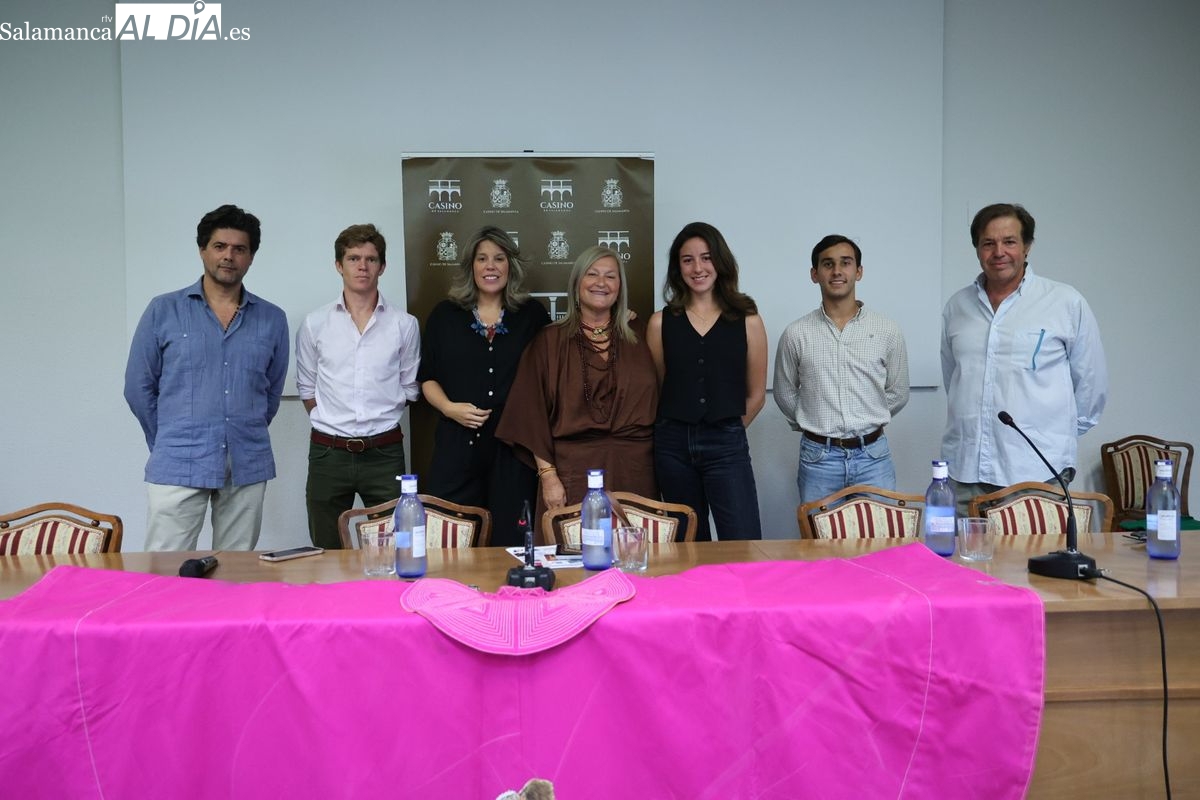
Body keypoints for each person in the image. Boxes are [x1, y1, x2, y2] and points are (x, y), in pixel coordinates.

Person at [124, 204, 289, 551]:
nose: (229, 256)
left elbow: (270, 394)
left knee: (235, 574)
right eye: (219, 246)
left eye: (239, 249)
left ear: (251, 257)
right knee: (164, 574)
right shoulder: (163, 310)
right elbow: (138, 387)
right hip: (177, 461)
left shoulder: (272, 319)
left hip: (247, 462)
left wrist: (243, 429)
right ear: (203, 250)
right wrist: (170, 437)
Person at [941, 203, 1107, 514]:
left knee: (1032, 562)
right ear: (977, 249)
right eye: (988, 243)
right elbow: (956, 380)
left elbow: (1091, 386)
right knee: (962, 561)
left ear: (1027, 247)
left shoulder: (1065, 303)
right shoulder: (957, 307)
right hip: (964, 472)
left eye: (1009, 242)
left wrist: (1052, 435)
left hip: (1036, 471)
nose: (998, 252)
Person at [497, 245, 658, 528]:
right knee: (573, 566)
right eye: (592, 274)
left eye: (611, 276)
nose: (601, 282)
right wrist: (548, 476)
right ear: (576, 284)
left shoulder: (643, 336)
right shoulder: (549, 342)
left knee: (635, 562)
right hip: (572, 477)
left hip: (637, 474)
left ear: (620, 287)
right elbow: (530, 415)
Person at [418, 227, 549, 547]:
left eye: (499, 258)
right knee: (447, 542)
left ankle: (512, 599)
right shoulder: (444, 315)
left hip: (512, 451)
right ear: (471, 266)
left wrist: (616, 317)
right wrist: (450, 408)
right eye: (482, 259)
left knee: (512, 543)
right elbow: (427, 377)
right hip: (456, 448)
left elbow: (553, 369)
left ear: (510, 266)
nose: (491, 266)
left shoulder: (531, 315)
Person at [295, 223, 420, 550]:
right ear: (339, 265)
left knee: (395, 547)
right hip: (328, 452)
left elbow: (409, 388)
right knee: (325, 548)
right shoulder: (315, 323)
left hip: (384, 452)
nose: (362, 266)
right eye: (353, 258)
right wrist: (335, 423)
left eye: (371, 259)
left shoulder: (404, 325)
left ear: (382, 266)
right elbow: (307, 388)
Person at [647, 222, 767, 541]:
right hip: (673, 447)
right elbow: (660, 386)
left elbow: (756, 395)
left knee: (741, 541)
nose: (697, 267)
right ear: (678, 267)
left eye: (706, 257)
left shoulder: (748, 320)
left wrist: (727, 431)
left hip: (726, 443)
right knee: (687, 547)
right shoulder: (660, 323)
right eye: (688, 260)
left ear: (721, 262)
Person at [773, 235, 910, 504]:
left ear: (858, 271)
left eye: (845, 263)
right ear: (815, 274)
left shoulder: (886, 330)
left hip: (874, 456)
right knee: (819, 543)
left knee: (880, 540)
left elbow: (898, 391)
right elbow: (784, 392)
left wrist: (868, 416)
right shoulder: (796, 333)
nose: (837, 271)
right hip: (818, 459)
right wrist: (813, 418)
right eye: (828, 264)